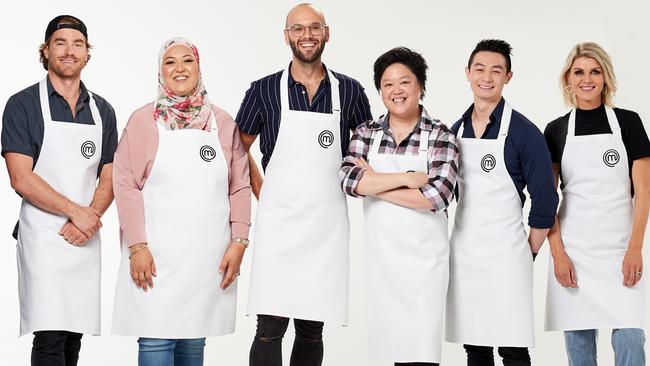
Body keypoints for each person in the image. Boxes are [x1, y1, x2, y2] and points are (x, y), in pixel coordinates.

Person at [235, 3, 372, 365]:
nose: (306, 35)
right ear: (286, 36)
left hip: (326, 227)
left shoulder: (352, 92)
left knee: (312, 328)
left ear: (327, 33)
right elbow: (236, 150)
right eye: (298, 29)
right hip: (280, 227)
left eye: (314, 28)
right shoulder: (264, 90)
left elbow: (366, 156)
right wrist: (261, 186)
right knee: (270, 326)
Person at [111, 37, 251, 366]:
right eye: (170, 62)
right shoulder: (143, 120)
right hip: (155, 257)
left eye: (187, 60)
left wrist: (240, 241)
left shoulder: (223, 122)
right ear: (160, 71)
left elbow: (239, 187)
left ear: (198, 67)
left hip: (206, 259)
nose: (179, 68)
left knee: (192, 342)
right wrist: (137, 245)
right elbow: (125, 184)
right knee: (156, 341)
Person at [0, 15, 117, 366]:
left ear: (86, 53)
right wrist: (76, 212)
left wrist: (90, 217)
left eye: (78, 44)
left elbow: (110, 173)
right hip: (44, 239)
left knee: (72, 336)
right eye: (61, 43)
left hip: (85, 236)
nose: (69, 51)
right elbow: (21, 177)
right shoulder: (22, 105)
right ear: (47, 50)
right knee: (50, 334)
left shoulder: (103, 111)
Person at [340, 47, 457, 366]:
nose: (397, 91)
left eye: (405, 82)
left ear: (420, 86)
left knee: (421, 354)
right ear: (380, 90)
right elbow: (350, 182)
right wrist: (408, 178)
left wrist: (376, 182)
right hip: (382, 266)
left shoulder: (440, 135)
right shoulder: (366, 132)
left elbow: (437, 197)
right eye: (388, 84)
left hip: (425, 267)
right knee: (386, 352)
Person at [446, 39, 558, 366]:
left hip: (508, 256)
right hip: (465, 255)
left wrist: (530, 251)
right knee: (475, 345)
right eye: (479, 69)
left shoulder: (525, 133)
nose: (487, 77)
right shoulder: (454, 132)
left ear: (508, 77)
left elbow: (546, 200)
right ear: (468, 73)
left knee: (512, 346)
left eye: (496, 70)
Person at [544, 42, 649, 366]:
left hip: (620, 248)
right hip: (574, 249)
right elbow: (549, 199)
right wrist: (558, 254)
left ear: (606, 78)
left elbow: (643, 192)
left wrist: (635, 249)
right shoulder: (557, 130)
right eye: (578, 72)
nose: (586, 79)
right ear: (568, 79)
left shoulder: (628, 123)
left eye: (594, 71)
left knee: (631, 334)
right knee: (578, 340)